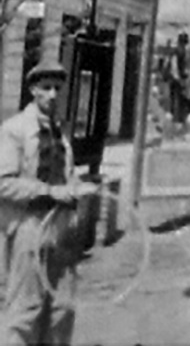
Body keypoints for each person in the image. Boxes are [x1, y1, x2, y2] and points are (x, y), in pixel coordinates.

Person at [0, 57, 97, 346]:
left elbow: (65, 176)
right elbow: (3, 183)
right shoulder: (14, 129)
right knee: (25, 312)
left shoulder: (60, 133)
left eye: (57, 88)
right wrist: (51, 192)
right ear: (33, 90)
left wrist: (78, 186)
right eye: (46, 87)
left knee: (62, 310)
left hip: (61, 230)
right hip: (29, 227)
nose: (53, 95)